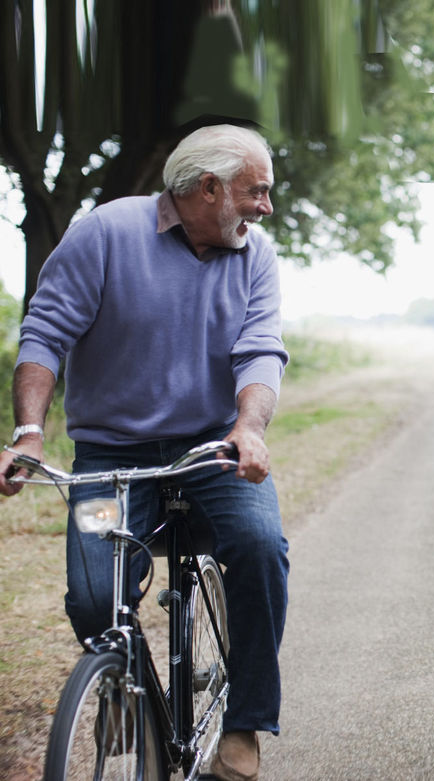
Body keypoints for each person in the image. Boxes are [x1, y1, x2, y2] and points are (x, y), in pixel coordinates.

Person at [0, 124, 289, 781]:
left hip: (213, 448)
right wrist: (30, 432)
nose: (265, 207)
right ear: (210, 188)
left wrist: (249, 427)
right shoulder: (105, 233)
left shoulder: (256, 256)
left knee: (259, 547)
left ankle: (243, 721)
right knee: (93, 594)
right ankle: (127, 686)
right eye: (257, 191)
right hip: (110, 457)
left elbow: (260, 352)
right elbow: (44, 335)